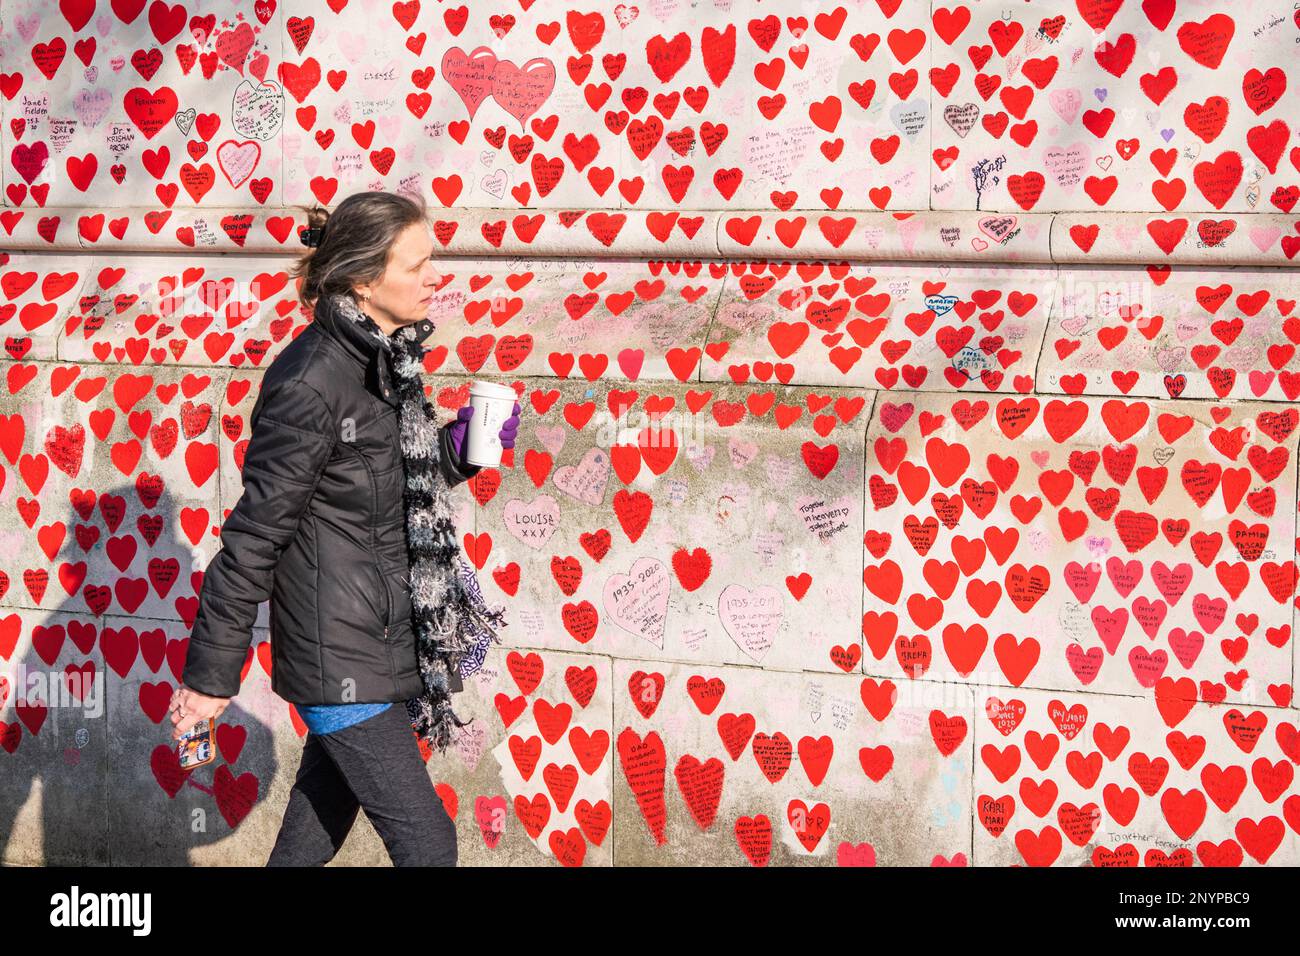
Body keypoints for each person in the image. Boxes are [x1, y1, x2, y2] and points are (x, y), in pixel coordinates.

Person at [166, 190, 520, 866]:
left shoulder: (382, 362)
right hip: (340, 655)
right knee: (428, 843)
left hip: (378, 643)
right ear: (363, 278)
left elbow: (385, 492)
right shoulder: (311, 382)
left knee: (311, 835)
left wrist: (463, 448)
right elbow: (253, 538)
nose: (436, 277)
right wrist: (212, 677)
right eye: (417, 266)